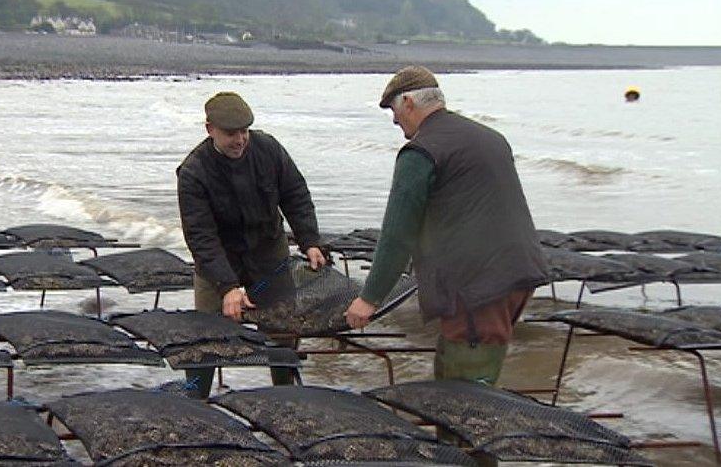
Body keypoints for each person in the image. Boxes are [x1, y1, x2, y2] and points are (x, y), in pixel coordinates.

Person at [345, 65, 549, 386]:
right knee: (463, 366)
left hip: (476, 287)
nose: (396, 121)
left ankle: (464, 434)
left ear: (409, 103)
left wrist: (369, 298)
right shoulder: (491, 138)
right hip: (519, 272)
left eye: (395, 112)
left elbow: (397, 235)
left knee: (467, 392)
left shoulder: (420, 152)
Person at [177, 91, 327, 398]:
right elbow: (201, 236)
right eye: (231, 134)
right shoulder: (193, 172)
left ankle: (287, 396)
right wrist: (227, 287)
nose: (240, 140)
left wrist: (310, 240)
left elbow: (295, 194)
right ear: (210, 129)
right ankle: (196, 399)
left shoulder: (268, 148)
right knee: (206, 338)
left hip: (268, 253)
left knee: (282, 333)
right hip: (219, 260)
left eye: (244, 131)